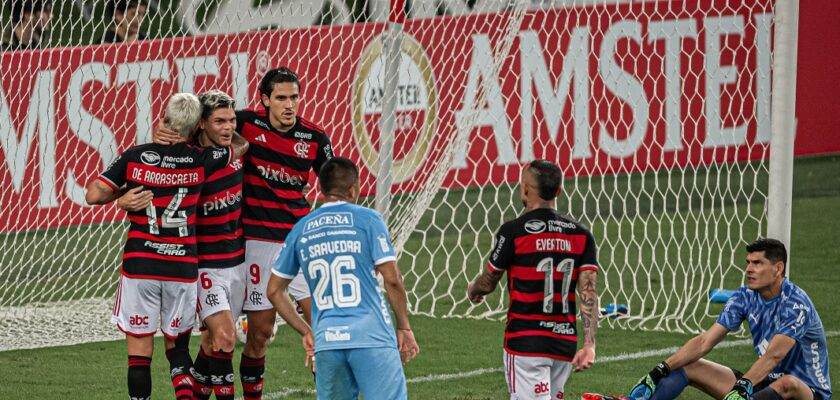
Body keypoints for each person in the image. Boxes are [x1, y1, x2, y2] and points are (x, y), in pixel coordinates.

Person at [154, 66, 334, 399]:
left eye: (294, 97)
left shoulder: (315, 138)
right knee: (245, 335)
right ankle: (196, 391)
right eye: (280, 98)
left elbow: (333, 185)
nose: (289, 105)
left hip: (297, 242)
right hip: (253, 245)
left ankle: (332, 385)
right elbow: (201, 118)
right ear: (265, 100)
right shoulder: (244, 123)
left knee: (323, 325)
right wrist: (166, 130)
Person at [86, 93, 247, 400]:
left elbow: (93, 195)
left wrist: (123, 195)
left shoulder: (134, 156)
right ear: (199, 124)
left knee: (139, 353)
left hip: (141, 264)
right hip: (182, 268)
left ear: (164, 119)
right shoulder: (204, 160)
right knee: (178, 351)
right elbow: (237, 147)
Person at [584, 239, 831, 400]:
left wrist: (742, 386)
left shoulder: (796, 303)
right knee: (687, 364)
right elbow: (704, 342)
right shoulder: (744, 296)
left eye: (757, 263)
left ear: (778, 269)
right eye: (748, 263)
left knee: (787, 383)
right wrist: (661, 369)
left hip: (807, 392)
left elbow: (774, 356)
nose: (749, 269)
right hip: (761, 385)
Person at [267, 157, 420, 399]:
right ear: (353, 189)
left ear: (323, 189)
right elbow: (392, 279)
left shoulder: (302, 228)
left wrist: (306, 331)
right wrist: (404, 325)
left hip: (328, 340)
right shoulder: (368, 219)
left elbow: (274, 290)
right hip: (372, 336)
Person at [467, 159, 600, 400]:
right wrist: (589, 344)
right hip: (563, 342)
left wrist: (473, 289)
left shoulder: (513, 231)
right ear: (558, 191)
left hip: (526, 341)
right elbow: (588, 292)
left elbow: (488, 283)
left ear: (525, 189)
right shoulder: (582, 235)